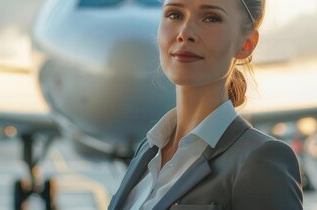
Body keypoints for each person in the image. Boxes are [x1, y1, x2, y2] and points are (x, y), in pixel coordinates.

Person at [108, 0, 303, 209]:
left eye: (211, 18)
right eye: (174, 15)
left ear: (246, 44)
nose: (185, 33)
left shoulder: (261, 161)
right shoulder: (148, 151)